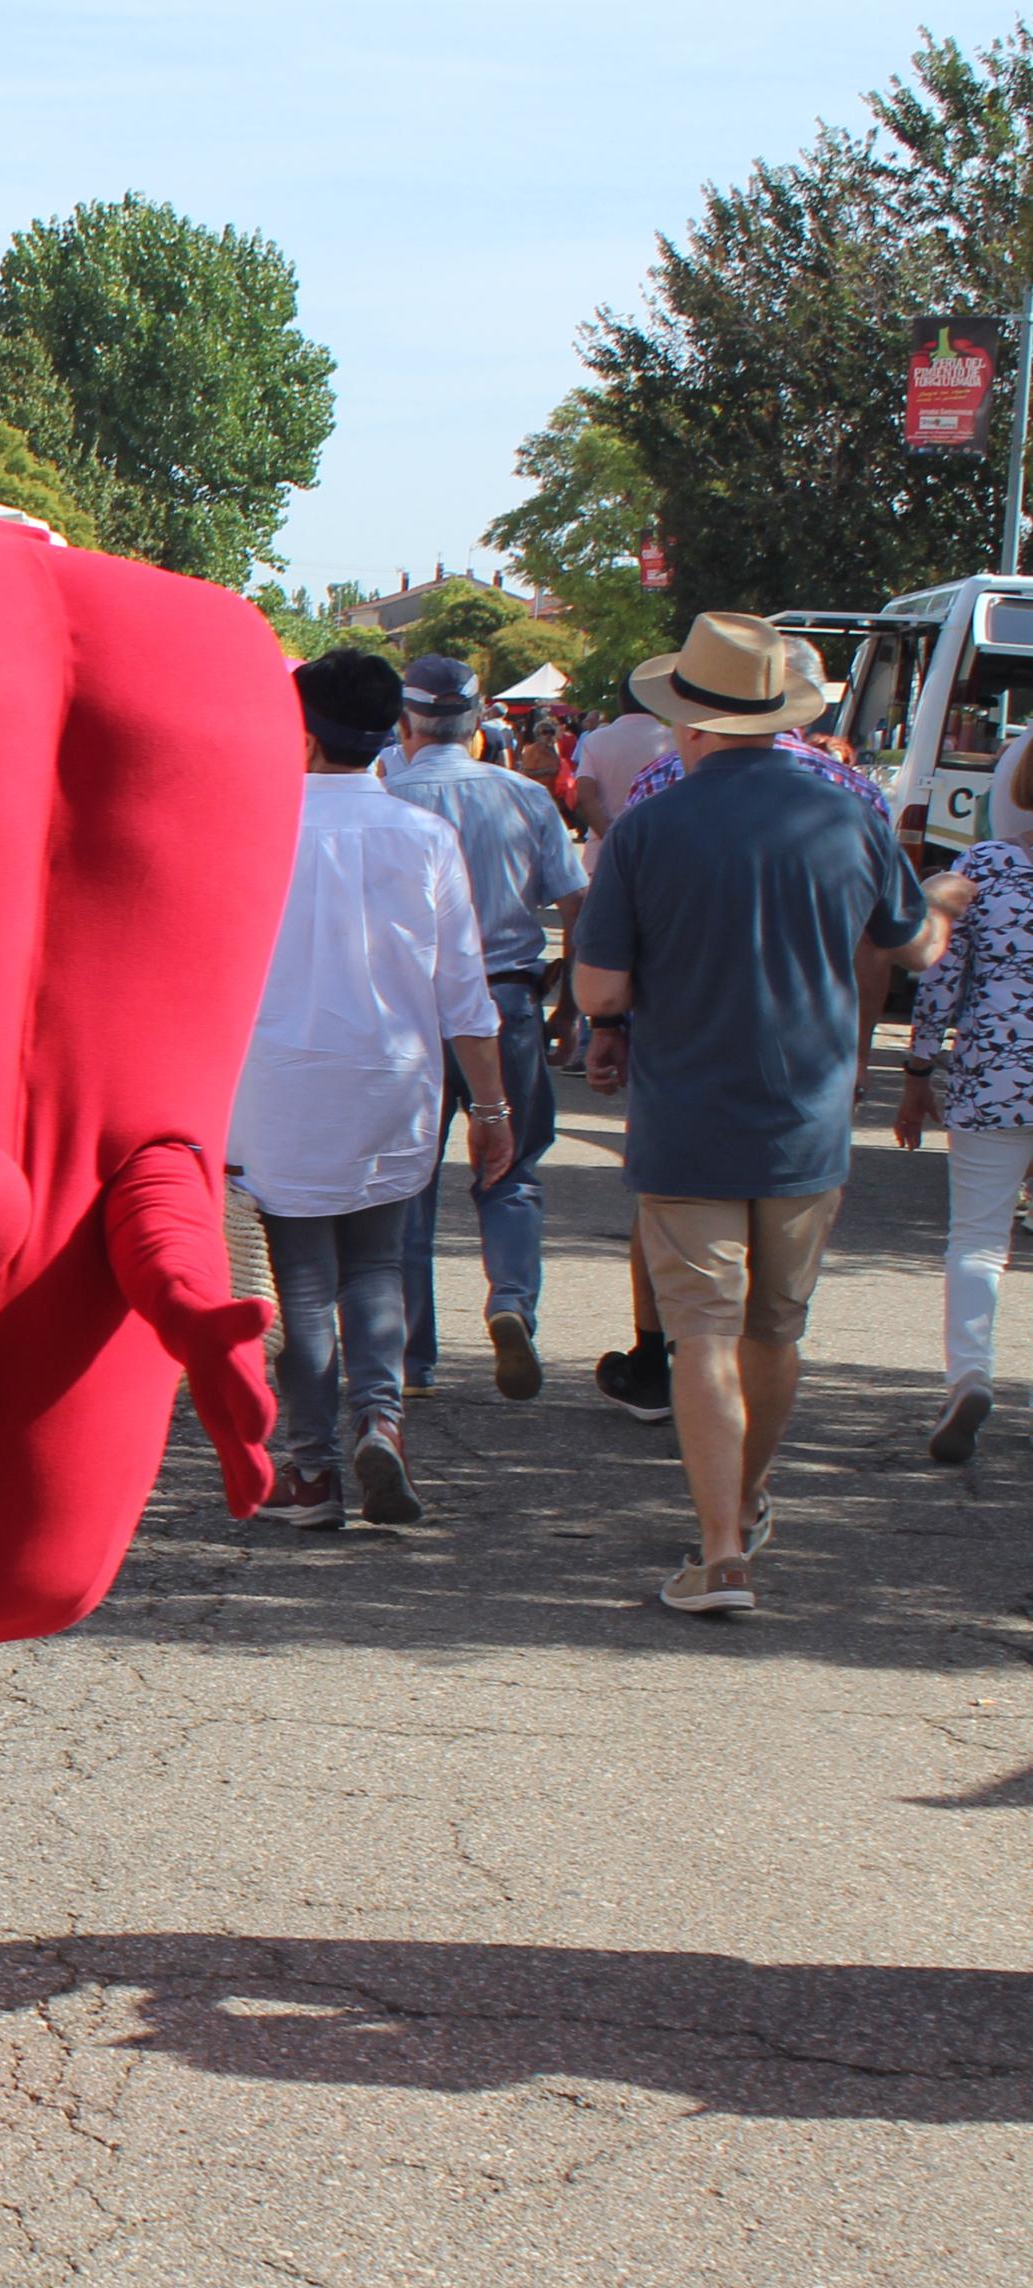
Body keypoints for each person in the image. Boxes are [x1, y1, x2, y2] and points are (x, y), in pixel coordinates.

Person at [573, 613, 943, 1615]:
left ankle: (718, 1547)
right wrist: (942, 894)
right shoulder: (847, 813)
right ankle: (742, 1503)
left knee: (699, 1331)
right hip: (806, 1115)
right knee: (774, 1330)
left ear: (686, 720)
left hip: (685, 1110)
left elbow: (600, 990)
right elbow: (912, 948)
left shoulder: (650, 826)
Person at [232, 652, 515, 1530]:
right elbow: (463, 992)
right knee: (378, 1266)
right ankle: (380, 1421)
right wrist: (493, 1109)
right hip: (394, 1080)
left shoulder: (251, 832)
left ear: (301, 732)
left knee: (302, 1283)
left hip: (276, 1086)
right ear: (393, 732)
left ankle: (312, 1473)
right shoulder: (423, 837)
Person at [586, 647, 904, 1425]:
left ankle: (659, 1362)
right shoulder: (855, 799)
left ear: (693, 716)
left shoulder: (660, 793)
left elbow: (610, 965)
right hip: (808, 1075)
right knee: (771, 1320)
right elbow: (880, 946)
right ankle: (747, 1462)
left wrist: (607, 1026)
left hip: (686, 1075)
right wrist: (858, 1047)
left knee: (691, 1282)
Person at [380, 654, 586, 1400]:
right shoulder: (524, 797)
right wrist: (572, 1002)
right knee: (512, 1167)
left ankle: (409, 1355)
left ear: (405, 722)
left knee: (407, 1183)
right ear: (475, 725)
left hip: (405, 1010)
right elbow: (573, 902)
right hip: (507, 1001)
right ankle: (509, 1302)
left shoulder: (384, 795)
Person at [898, 836, 1025, 1461]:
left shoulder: (990, 865)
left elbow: (942, 972)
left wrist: (918, 1071)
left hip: (998, 1073)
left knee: (979, 1239)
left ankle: (969, 1378)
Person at [568, 682, 672, 839]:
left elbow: (584, 795)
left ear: (620, 702)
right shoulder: (673, 740)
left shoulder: (596, 739)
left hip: (603, 850)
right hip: (659, 845)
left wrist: (611, 839)